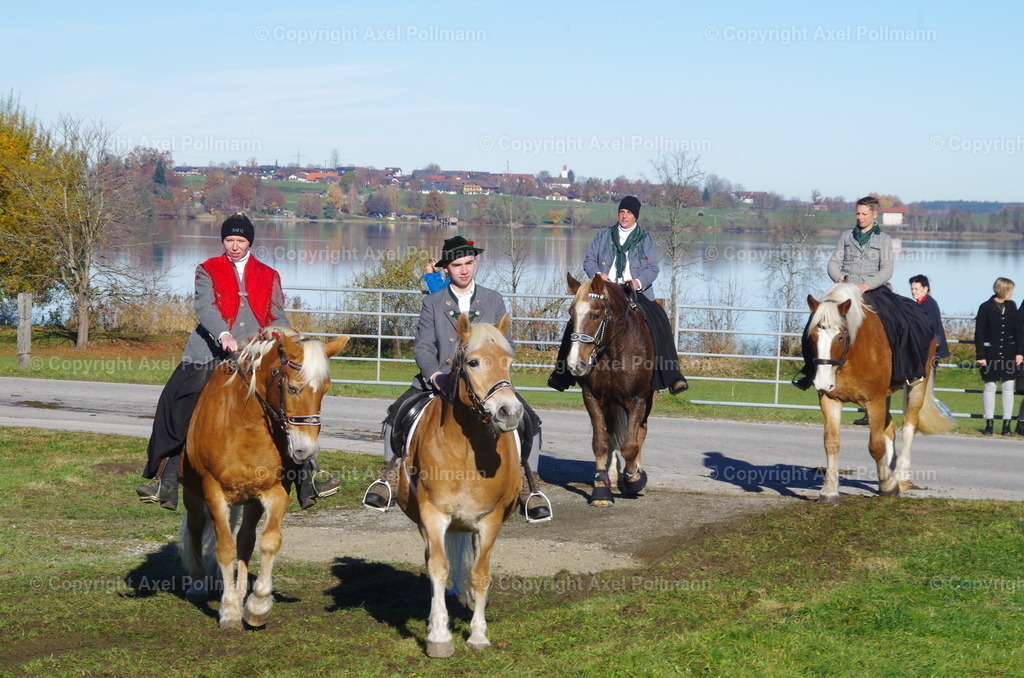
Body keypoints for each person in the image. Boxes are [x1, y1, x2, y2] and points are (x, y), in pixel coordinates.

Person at [136, 214, 339, 510]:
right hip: (211, 350)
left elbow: (278, 314)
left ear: (250, 242)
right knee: (178, 396)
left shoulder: (269, 274)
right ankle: (165, 477)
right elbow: (204, 307)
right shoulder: (207, 269)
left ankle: (307, 475)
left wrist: (277, 330)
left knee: (288, 398)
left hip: (258, 351)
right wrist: (223, 333)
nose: (234, 246)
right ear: (223, 241)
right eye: (229, 240)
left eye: (240, 240)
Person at [361, 235, 552, 521]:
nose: (464, 270)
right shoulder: (434, 301)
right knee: (396, 415)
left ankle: (529, 485)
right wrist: (435, 374)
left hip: (485, 382)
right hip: (439, 380)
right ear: (445, 269)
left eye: (469, 263)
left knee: (530, 422)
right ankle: (388, 477)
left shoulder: (493, 299)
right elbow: (424, 346)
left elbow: (505, 342)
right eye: (457, 265)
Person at [547, 196, 689, 395]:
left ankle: (672, 375)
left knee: (659, 318)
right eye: (622, 212)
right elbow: (589, 260)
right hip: (603, 290)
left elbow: (652, 268)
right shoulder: (604, 235)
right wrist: (597, 274)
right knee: (577, 320)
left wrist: (637, 282)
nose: (624, 216)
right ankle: (562, 373)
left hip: (634, 291)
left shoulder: (645, 238)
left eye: (629, 213)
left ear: (635, 216)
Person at [793, 196, 933, 392]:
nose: (860, 217)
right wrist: (838, 276)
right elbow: (833, 262)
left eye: (864, 214)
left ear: (875, 215)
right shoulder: (846, 236)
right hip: (844, 289)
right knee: (814, 322)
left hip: (872, 290)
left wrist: (867, 285)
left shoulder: (883, 239)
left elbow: (887, 270)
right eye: (858, 213)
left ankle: (907, 371)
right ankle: (809, 372)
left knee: (900, 321)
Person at [853, 274, 951, 425]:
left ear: (926, 289)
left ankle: (923, 419)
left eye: (916, 289)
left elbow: (930, 331)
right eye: (912, 289)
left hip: (927, 353)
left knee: (920, 389)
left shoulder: (929, 305)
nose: (913, 292)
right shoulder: (919, 303)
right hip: (920, 350)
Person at [974, 277, 1024, 435]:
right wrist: (981, 355)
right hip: (990, 354)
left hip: (1009, 353)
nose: (1013, 293)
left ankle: (1006, 425)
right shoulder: (985, 307)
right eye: (1011, 290)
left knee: (1008, 387)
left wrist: (1020, 352)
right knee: (990, 387)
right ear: (1003, 291)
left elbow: (1017, 330)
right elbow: (979, 333)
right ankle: (989, 424)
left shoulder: (1013, 306)